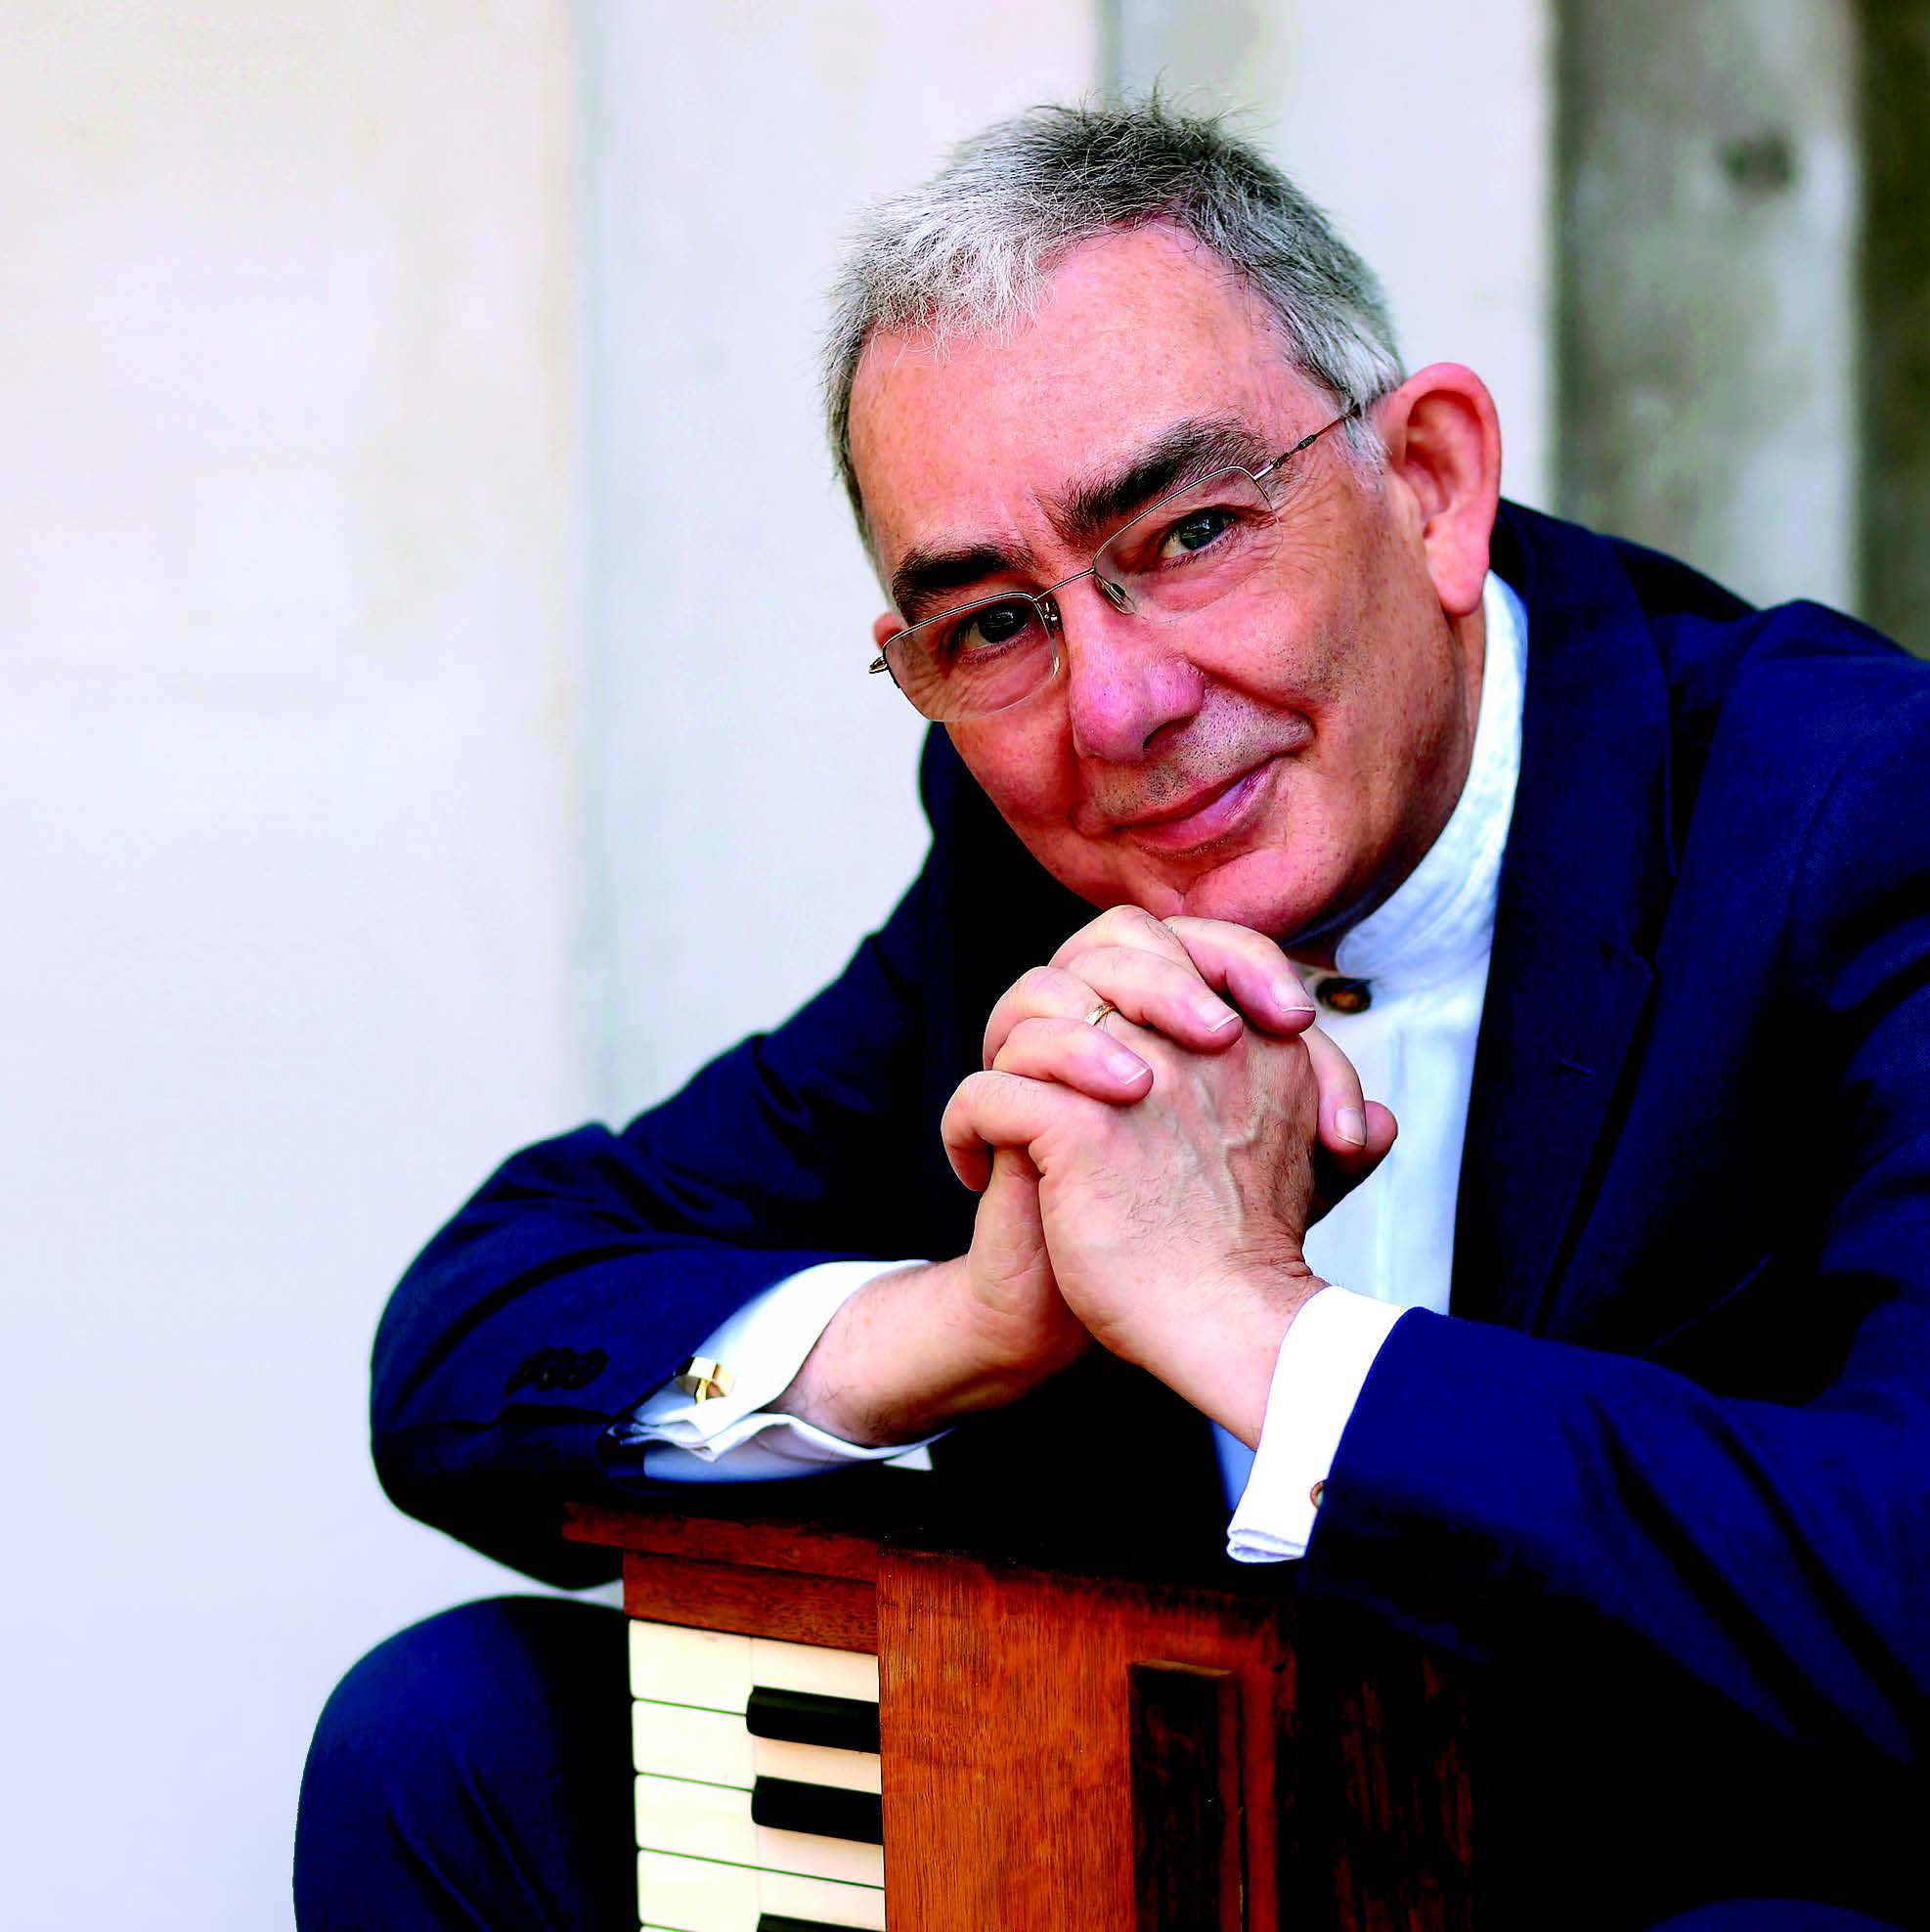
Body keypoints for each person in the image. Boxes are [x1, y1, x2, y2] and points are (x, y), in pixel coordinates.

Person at [295, 100, 1930, 1930]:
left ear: (1431, 483)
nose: (1116, 709)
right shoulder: (1040, 869)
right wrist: (959, 1328)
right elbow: (472, 1335)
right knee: (455, 1741)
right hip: (1152, 1853)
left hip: (1664, 1875)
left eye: (1193, 528)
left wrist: (1254, 1330)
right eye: (993, 626)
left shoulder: (1858, 809)